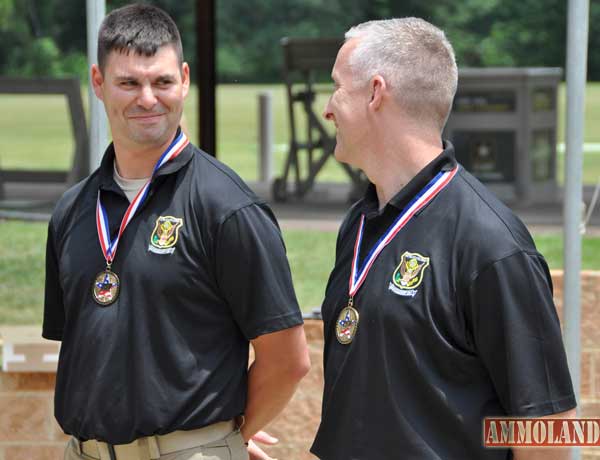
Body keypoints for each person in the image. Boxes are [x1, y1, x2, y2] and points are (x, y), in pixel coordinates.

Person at [42, 4, 310, 460]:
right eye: (129, 82)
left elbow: (288, 360)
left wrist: (228, 434)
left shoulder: (227, 206)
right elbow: (91, 352)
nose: (147, 98)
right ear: (98, 82)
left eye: (162, 82)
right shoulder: (73, 210)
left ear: (184, 79)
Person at [310, 18, 576, 460]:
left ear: (375, 92)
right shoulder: (360, 223)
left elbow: (551, 431)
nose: (328, 109)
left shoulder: (491, 244)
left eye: (337, 87)